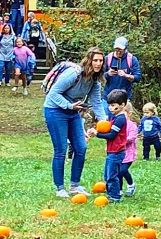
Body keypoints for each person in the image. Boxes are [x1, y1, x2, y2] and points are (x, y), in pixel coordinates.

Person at [43, 48, 108, 198]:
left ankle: (74, 185)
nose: (98, 63)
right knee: (61, 149)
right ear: (89, 60)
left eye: (101, 61)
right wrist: (69, 106)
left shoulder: (95, 81)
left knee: (81, 147)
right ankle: (60, 188)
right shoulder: (74, 74)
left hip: (73, 112)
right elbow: (53, 93)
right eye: (95, 60)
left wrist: (104, 120)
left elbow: (96, 103)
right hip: (55, 110)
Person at [94, 89, 130, 203]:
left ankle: (115, 196)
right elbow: (106, 128)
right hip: (112, 151)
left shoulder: (120, 119)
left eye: (113, 105)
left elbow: (112, 135)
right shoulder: (114, 117)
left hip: (117, 151)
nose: (110, 108)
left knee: (112, 175)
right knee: (107, 174)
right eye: (109, 105)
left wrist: (97, 134)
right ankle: (111, 193)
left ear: (122, 105)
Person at [103, 36, 142, 107]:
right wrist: (108, 74)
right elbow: (99, 76)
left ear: (126, 48)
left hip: (125, 98)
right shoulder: (108, 59)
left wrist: (126, 75)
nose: (118, 52)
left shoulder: (132, 59)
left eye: (120, 50)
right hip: (108, 98)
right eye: (116, 49)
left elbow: (138, 77)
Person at [119, 102, 138, 196]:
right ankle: (119, 189)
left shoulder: (132, 126)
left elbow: (132, 137)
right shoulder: (118, 125)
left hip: (128, 154)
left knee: (123, 170)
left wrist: (122, 141)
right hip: (118, 153)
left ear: (129, 113)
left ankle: (131, 185)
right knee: (118, 172)